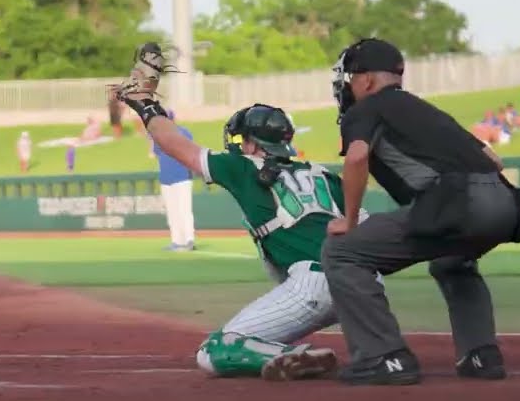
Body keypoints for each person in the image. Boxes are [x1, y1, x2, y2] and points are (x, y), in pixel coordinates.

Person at [112, 44, 347, 381]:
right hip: (361, 284)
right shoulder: (324, 175)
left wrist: (145, 104)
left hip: (313, 285)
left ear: (252, 144)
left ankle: (293, 357)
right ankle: (385, 353)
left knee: (215, 352)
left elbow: (174, 143)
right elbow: (366, 230)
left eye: (242, 140)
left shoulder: (245, 166)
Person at [321, 38, 520, 386]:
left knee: (343, 252)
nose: (347, 86)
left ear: (366, 80)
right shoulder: (426, 109)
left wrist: (349, 219)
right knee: (452, 260)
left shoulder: (364, 110)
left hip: (461, 202)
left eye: (349, 78)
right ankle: (481, 354)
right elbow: (494, 160)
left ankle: (384, 357)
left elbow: (357, 157)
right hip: (506, 202)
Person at [154, 110, 196, 251]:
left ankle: (189, 239)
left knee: (184, 210)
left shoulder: (183, 132)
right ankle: (177, 240)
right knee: (172, 212)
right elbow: (157, 153)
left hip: (182, 176)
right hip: (166, 178)